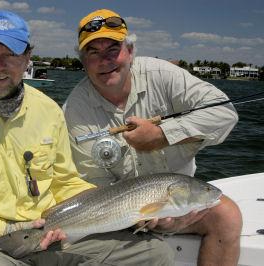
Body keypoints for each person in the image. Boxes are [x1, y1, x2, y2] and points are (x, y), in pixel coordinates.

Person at [0, 10, 174, 266]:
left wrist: (123, 207)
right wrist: (5, 228)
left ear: (28, 57)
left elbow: (65, 181)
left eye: (12, 54)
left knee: (155, 254)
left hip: (52, 229)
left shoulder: (49, 110)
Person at [63, 8, 243, 266]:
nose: (105, 60)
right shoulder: (74, 112)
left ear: (130, 51)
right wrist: (144, 216)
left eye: (113, 49)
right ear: (83, 62)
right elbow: (93, 189)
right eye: (94, 52)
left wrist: (162, 135)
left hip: (180, 201)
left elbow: (224, 113)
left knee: (227, 216)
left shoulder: (163, 75)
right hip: (117, 216)